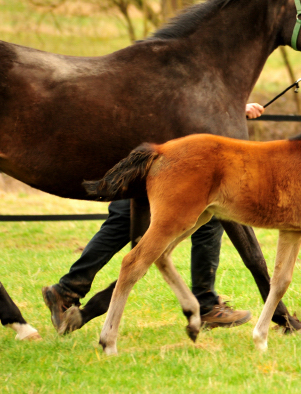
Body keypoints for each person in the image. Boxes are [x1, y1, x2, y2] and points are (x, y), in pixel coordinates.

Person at [43, 103, 265, 332]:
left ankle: (68, 289)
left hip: (150, 134)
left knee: (123, 218)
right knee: (206, 219)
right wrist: (227, 108)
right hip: (174, 150)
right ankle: (206, 304)